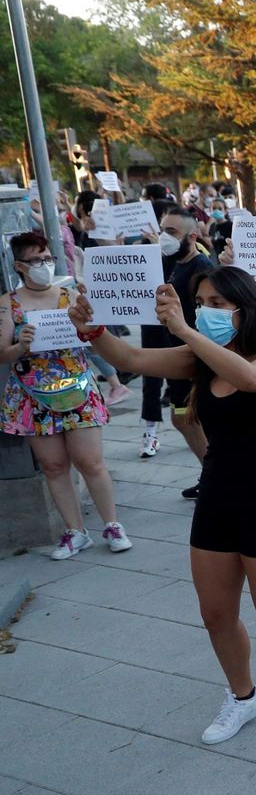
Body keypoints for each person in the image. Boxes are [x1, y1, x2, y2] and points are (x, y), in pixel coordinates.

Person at [72, 269, 256, 772]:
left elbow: (251, 379)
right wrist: (91, 329)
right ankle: (243, 696)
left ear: (245, 306)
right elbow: (129, 359)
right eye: (200, 301)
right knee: (215, 614)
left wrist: (186, 328)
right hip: (217, 498)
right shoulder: (197, 359)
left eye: (217, 301)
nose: (206, 309)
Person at [3, 233, 132, 560]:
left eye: (47, 257)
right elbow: (2, 353)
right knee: (54, 464)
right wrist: (21, 346)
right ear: (19, 265)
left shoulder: (70, 296)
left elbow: (96, 335)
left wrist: (91, 320)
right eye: (35, 260)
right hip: (31, 394)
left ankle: (112, 525)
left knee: (91, 461)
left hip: (77, 388)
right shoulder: (8, 304)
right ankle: (75, 532)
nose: (44, 265)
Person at [143, 204, 214, 495]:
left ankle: (216, 477)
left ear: (192, 236)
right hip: (176, 354)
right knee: (183, 417)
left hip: (193, 357)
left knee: (188, 418)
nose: (164, 237)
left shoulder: (203, 269)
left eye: (171, 232)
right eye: (163, 230)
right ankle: (211, 475)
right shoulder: (173, 262)